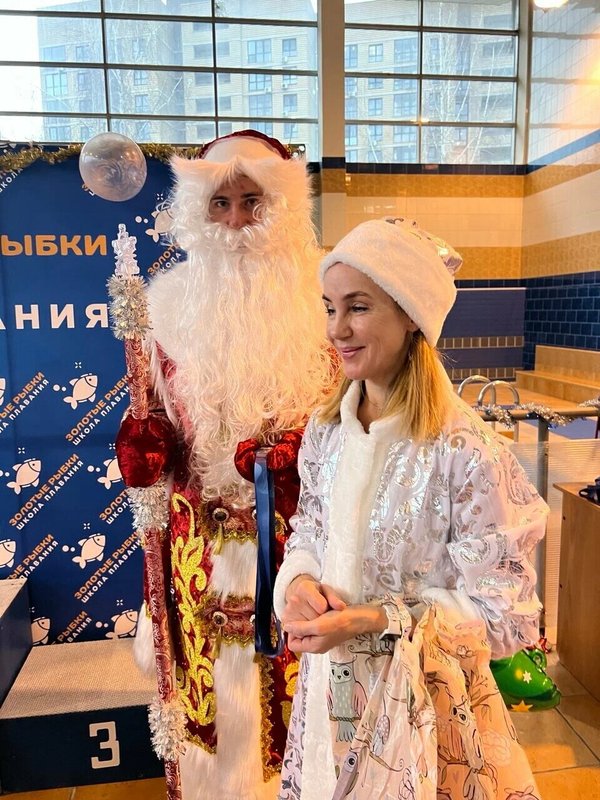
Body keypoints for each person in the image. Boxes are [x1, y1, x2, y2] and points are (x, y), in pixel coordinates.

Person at [273, 217, 548, 800]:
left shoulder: (464, 450)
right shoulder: (326, 432)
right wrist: (296, 582)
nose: (337, 329)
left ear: (410, 315)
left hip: (425, 713)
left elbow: (506, 615)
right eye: (330, 307)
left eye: (358, 307)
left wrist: (377, 620)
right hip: (328, 700)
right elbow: (309, 531)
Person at [115, 130, 332, 800]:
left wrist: (299, 455)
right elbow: (158, 426)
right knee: (208, 716)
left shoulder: (329, 299)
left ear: (283, 206)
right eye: (220, 203)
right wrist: (145, 444)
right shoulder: (165, 310)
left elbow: (358, 421)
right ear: (197, 211)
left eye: (252, 201)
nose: (236, 220)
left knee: (306, 710)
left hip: (303, 544)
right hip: (198, 550)